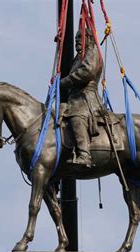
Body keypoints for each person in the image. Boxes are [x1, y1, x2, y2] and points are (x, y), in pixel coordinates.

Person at [60, 28, 105, 167]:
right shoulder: (77, 58)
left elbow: (87, 72)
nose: (77, 40)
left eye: (80, 37)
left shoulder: (92, 51)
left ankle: (84, 154)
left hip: (85, 98)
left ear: (89, 39)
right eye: (76, 38)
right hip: (73, 98)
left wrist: (64, 82)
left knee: (76, 117)